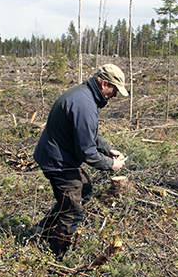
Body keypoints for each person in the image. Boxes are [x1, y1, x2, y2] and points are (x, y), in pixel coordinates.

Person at [33, 64, 128, 259]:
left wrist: (106, 148)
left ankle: (40, 232)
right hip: (57, 162)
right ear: (104, 84)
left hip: (58, 156)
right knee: (73, 211)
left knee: (83, 190)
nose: (115, 95)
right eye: (115, 90)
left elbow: (88, 130)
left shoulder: (85, 94)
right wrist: (111, 165)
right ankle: (57, 256)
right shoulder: (85, 104)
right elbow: (87, 154)